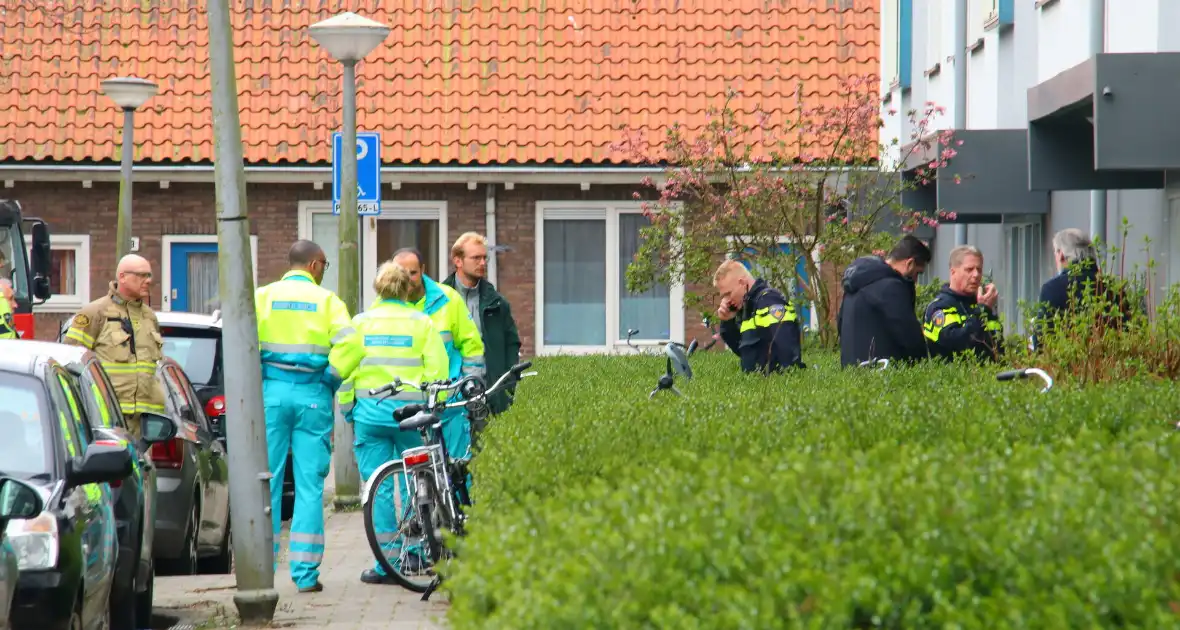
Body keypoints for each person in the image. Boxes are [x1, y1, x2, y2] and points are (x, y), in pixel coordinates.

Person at [255, 240, 362, 594]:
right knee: (309, 486)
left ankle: (261, 571)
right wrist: (330, 378)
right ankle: (304, 573)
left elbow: (242, 341)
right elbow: (352, 345)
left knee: (265, 482)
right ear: (315, 265)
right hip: (312, 394)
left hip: (271, 393)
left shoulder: (264, 296)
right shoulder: (328, 302)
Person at [335, 260, 448, 584]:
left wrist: (347, 409)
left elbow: (346, 372)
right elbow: (437, 372)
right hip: (410, 415)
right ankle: (414, 554)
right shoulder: (422, 323)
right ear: (406, 288)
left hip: (370, 415)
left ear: (378, 289)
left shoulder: (360, 324)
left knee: (378, 486)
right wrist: (433, 406)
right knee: (417, 482)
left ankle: (386, 562)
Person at [392, 248, 485, 460]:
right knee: (415, 477)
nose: (407, 279)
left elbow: (471, 346)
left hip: (449, 402)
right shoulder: (389, 306)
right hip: (410, 402)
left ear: (423, 270)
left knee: (457, 470)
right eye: (400, 273)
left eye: (413, 273)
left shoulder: (449, 300)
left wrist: (471, 386)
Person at [63, 254, 167, 436]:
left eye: (149, 276)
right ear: (122, 277)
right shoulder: (95, 313)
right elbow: (70, 362)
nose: (148, 281)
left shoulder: (149, 316)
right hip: (108, 419)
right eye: (141, 275)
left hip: (144, 423)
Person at [440, 232, 521, 420]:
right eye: (476, 258)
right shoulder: (437, 301)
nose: (483, 263)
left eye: (485, 258)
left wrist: (507, 386)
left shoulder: (498, 304)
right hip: (447, 395)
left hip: (488, 395)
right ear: (458, 261)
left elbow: (512, 344)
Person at [837, 235, 931, 367]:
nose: (915, 281)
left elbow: (840, 324)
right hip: (883, 373)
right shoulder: (891, 287)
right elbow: (909, 336)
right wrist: (924, 363)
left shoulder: (856, 285)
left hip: (852, 371)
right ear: (910, 263)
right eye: (918, 273)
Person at [1030, 228, 1130, 350]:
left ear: (1061, 255)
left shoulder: (1052, 289)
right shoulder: (1113, 287)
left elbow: (1042, 341)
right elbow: (1128, 332)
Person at [712, 260, 804, 373]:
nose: (726, 300)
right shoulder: (748, 308)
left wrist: (781, 381)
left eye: (728, 294)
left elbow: (786, 348)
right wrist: (728, 321)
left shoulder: (769, 301)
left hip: (775, 387)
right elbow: (745, 353)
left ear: (742, 283)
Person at [922, 245, 1004, 361]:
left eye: (979, 270)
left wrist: (988, 311)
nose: (976, 275)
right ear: (953, 272)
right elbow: (959, 344)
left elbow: (997, 344)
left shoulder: (981, 303)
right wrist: (982, 310)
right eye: (969, 270)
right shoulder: (940, 307)